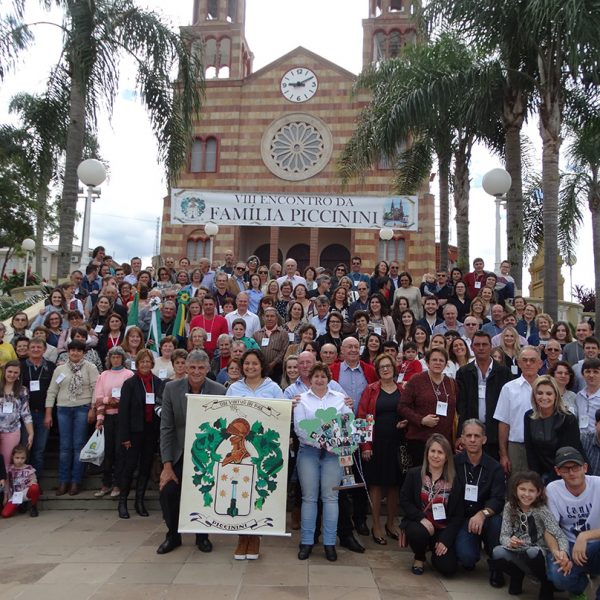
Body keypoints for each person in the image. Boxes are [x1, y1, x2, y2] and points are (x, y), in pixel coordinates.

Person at [157, 350, 225, 554]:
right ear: (185, 368)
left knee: (203, 493)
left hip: (207, 455)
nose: (196, 372)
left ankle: (201, 536)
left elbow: (222, 429)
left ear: (207, 369)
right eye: (192, 367)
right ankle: (173, 535)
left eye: (201, 368)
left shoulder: (219, 391)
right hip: (179, 451)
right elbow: (166, 428)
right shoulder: (171, 388)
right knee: (168, 492)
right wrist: (167, 465)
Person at [227, 349, 284, 561]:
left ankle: (255, 536)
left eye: (255, 364)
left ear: (262, 366)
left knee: (258, 490)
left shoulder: (273, 388)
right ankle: (242, 537)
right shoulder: (234, 388)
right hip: (239, 449)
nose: (250, 367)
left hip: (262, 449)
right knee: (240, 489)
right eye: (247, 364)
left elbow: (281, 415)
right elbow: (225, 417)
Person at [294, 362, 352, 562]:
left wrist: (333, 442)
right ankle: (307, 541)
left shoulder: (339, 399)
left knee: (330, 498)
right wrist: (324, 440)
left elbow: (348, 422)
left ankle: (329, 543)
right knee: (309, 498)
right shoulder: (300, 400)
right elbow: (300, 428)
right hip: (309, 452)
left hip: (333, 455)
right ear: (311, 378)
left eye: (323, 376)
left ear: (329, 379)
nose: (319, 380)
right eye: (316, 376)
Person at [493, 471, 568, 598]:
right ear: (515, 490)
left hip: (537, 550)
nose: (526, 494)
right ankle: (517, 575)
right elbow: (503, 536)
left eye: (531, 491)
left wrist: (563, 551)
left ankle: (545, 582)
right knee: (497, 552)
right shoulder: (509, 507)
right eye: (522, 489)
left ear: (538, 492)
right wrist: (510, 542)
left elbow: (559, 534)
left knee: (532, 553)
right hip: (518, 548)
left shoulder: (541, 510)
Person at [358, 353, 406, 544]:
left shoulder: (403, 390)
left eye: (388, 366)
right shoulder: (371, 390)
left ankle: (391, 523)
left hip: (397, 444)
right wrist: (365, 445)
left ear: (394, 369)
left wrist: (407, 421)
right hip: (376, 443)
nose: (385, 369)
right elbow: (362, 417)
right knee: (376, 485)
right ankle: (376, 524)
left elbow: (410, 412)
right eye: (381, 367)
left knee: (394, 485)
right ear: (377, 371)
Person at [399, 433, 463, 577]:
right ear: (427, 453)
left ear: (447, 456)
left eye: (440, 452)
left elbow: (458, 516)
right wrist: (421, 517)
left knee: (448, 569)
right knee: (418, 532)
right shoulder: (415, 474)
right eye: (432, 451)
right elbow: (404, 499)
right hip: (419, 523)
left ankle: (434, 551)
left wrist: (445, 540)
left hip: (442, 528)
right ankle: (419, 557)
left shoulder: (455, 481)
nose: (435, 456)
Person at [454, 419, 506, 588]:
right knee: (466, 558)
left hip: (487, 518)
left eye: (477, 436)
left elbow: (498, 499)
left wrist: (482, 514)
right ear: (462, 439)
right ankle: (472, 550)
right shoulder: (454, 463)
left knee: (497, 521)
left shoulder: (495, 467)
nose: (472, 439)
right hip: (463, 519)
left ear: (484, 439)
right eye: (468, 435)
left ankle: (496, 564)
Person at [45, 340, 99, 496]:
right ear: (68, 352)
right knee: (64, 447)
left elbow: (96, 389)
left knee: (78, 446)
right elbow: (52, 391)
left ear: (83, 353)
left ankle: (76, 481)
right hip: (63, 410)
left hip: (83, 408)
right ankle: (63, 481)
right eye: (72, 350)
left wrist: (93, 409)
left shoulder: (91, 367)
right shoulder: (60, 369)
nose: (75, 353)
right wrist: (48, 413)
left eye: (78, 351)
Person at [117, 349, 164, 519]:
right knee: (129, 467)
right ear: (137, 364)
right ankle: (122, 503)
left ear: (152, 364)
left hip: (151, 431)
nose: (145, 364)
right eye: (142, 362)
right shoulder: (130, 384)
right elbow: (123, 412)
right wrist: (125, 437)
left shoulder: (158, 382)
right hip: (133, 432)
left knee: (145, 467)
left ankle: (139, 501)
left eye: (148, 361)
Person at [456, 331, 513, 460]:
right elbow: (462, 406)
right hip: (472, 433)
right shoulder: (463, 372)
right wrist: (461, 434)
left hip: (495, 434)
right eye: (477, 344)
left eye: (484, 344)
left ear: (491, 346)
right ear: (471, 347)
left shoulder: (504, 372)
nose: (481, 348)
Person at [400, 348, 457, 466]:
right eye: (434, 360)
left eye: (441, 360)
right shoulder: (416, 380)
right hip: (420, 441)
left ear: (446, 364)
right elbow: (402, 407)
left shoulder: (452, 383)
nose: (437, 363)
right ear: (427, 363)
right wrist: (421, 420)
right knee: (421, 479)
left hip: (444, 442)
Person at [494, 346, 543, 475]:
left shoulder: (548, 387)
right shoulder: (509, 388)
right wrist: (504, 454)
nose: (528, 363)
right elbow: (503, 423)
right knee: (516, 486)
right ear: (519, 363)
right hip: (517, 447)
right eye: (524, 360)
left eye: (532, 360)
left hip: (543, 446)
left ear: (540, 363)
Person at [524, 375, 583, 483]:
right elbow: (530, 451)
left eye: (549, 393)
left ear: (556, 396)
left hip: (567, 472)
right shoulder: (528, 416)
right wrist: (536, 480)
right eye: (540, 393)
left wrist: (552, 481)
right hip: (541, 474)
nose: (544, 397)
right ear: (534, 395)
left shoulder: (568, 419)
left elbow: (568, 454)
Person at [93, 347, 134, 498]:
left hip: (123, 418)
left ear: (123, 359)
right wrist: (100, 418)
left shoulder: (129, 374)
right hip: (108, 417)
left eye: (118, 357)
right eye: (113, 357)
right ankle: (106, 483)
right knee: (108, 451)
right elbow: (98, 398)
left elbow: (130, 398)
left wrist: (119, 402)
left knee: (120, 451)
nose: (115, 359)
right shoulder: (103, 375)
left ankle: (118, 484)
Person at [0, 361, 33, 473]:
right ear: (4, 372)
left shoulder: (22, 391)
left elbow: (26, 413)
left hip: (12, 431)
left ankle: (6, 490)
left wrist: (31, 433)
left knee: (7, 463)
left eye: (15, 372)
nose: (12, 375)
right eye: (10, 371)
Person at [1, 444, 40, 518]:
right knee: (5, 514)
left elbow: (34, 479)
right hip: (15, 495)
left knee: (35, 487)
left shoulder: (29, 468)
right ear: (13, 457)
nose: (20, 460)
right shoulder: (9, 469)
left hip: (26, 492)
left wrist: (32, 482)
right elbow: (7, 484)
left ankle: (33, 506)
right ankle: (20, 505)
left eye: (22, 458)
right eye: (17, 458)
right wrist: (6, 497)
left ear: (26, 458)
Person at [252, 306, 288, 381]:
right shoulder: (256, 334)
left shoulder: (283, 333)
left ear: (276, 318)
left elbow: (284, 351)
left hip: (277, 370)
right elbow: (254, 351)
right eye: (267, 316)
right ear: (263, 318)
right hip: (260, 369)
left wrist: (273, 364)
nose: (269, 318)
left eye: (272, 316)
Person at [189, 295, 229, 359]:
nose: (208, 307)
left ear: (215, 305)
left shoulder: (222, 320)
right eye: (206, 304)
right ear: (202, 305)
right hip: (198, 355)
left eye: (210, 304)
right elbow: (190, 340)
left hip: (217, 355)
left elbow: (225, 340)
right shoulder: (195, 320)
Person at [575, 357, 600, 434]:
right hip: (581, 438)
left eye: (596, 372)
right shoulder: (578, 396)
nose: (591, 375)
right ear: (583, 374)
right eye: (588, 371)